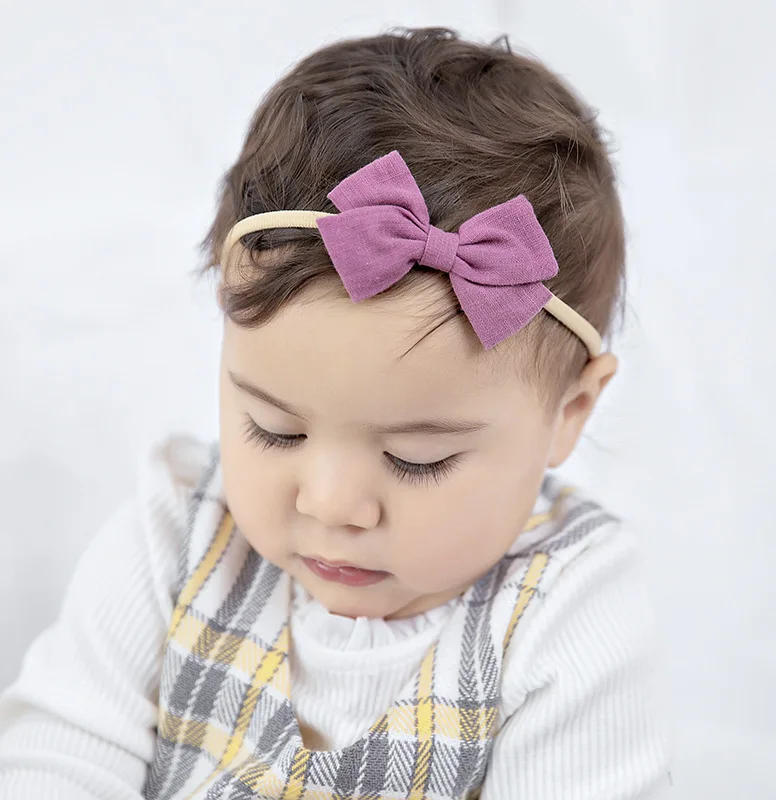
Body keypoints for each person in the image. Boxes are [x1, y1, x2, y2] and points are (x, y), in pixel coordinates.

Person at [0, 26, 670, 799]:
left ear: (570, 411)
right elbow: (60, 755)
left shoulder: (569, 613)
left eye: (417, 459)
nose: (329, 503)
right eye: (275, 429)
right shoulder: (177, 538)